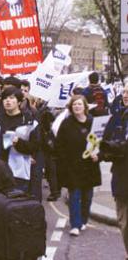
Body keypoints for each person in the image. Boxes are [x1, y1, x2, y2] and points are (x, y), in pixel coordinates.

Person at [56, 94, 101, 236]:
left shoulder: (93, 122)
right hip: (72, 166)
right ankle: (75, 224)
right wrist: (64, 161)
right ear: (71, 107)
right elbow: (59, 144)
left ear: (85, 107)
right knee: (74, 195)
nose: (77, 106)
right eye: (74, 104)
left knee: (87, 197)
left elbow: (100, 141)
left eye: (79, 104)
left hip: (89, 166)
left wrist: (97, 155)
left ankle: (83, 220)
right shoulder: (66, 123)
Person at [0, 86, 38, 193]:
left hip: (17, 172)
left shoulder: (29, 121)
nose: (8, 101)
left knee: (13, 205)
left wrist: (19, 143)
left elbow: (35, 147)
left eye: (11, 98)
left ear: (19, 102)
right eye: (5, 98)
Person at [100, 84, 128, 258]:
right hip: (121, 175)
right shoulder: (120, 115)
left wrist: (113, 148)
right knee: (123, 220)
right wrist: (104, 152)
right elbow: (108, 140)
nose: (125, 95)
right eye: (124, 91)